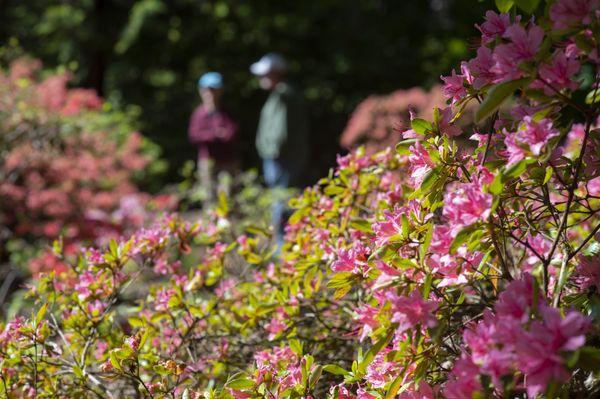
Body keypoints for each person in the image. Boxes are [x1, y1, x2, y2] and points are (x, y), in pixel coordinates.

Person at [250, 53, 309, 244]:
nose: (261, 78)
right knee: (280, 200)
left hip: (282, 159)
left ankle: (281, 246)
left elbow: (281, 131)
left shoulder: (284, 94)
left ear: (276, 73)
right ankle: (282, 245)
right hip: (277, 157)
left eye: (265, 74)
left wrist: (275, 150)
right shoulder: (279, 94)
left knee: (281, 201)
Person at [188, 72, 238, 203]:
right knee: (209, 197)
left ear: (221, 91)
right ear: (201, 91)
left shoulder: (226, 111)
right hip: (208, 161)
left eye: (214, 89)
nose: (211, 93)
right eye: (208, 90)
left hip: (228, 161)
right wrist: (215, 135)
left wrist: (213, 135)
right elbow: (194, 136)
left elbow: (232, 133)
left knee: (226, 197)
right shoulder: (199, 114)